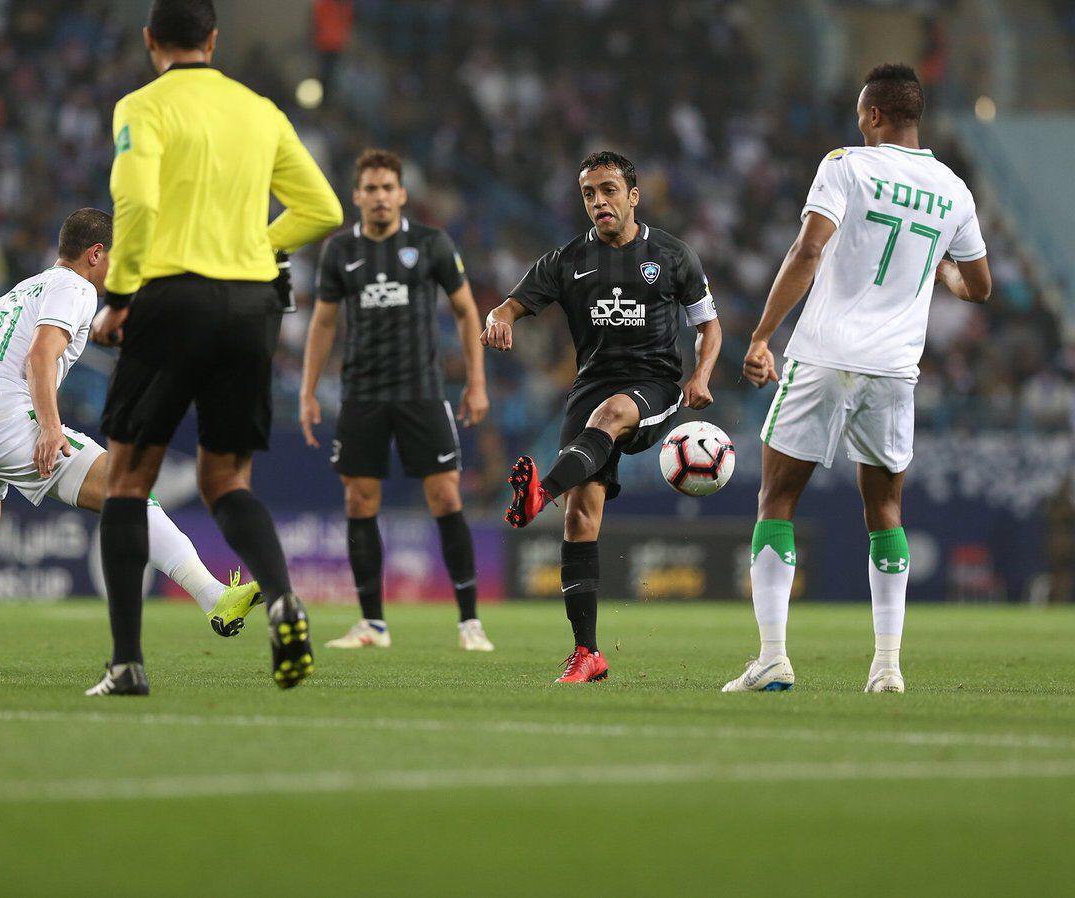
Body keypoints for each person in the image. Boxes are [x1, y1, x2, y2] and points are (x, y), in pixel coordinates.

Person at [87, 0, 343, 695]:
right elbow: (323, 208)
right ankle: (284, 598)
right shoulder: (260, 109)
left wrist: (118, 296)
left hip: (172, 297)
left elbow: (135, 204)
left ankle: (127, 663)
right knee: (226, 480)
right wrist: (256, 247)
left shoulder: (144, 105)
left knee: (128, 479)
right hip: (253, 305)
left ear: (150, 42)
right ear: (214, 39)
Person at [0, 209, 263, 680]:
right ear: (96, 253)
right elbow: (41, 354)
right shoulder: (76, 288)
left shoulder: (18, 293)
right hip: (10, 421)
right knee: (126, 488)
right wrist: (49, 427)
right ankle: (215, 598)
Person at [721, 64, 992, 694]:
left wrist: (762, 336)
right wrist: (936, 270)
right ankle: (888, 667)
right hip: (894, 369)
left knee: (777, 499)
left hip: (823, 356)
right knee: (886, 509)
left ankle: (772, 657)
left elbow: (809, 251)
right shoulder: (954, 190)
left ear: (872, 115)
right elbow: (976, 285)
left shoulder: (846, 165)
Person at [481, 150, 722, 683]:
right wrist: (499, 317)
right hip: (589, 389)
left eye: (609, 190)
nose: (599, 202)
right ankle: (587, 652)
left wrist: (700, 375)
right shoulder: (566, 261)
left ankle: (539, 492)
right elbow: (512, 304)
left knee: (613, 414)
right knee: (580, 518)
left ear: (633, 195)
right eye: (589, 194)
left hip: (654, 387)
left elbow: (709, 325)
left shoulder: (673, 255)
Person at [300, 149, 493, 652]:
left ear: (402, 194)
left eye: (389, 188)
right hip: (361, 393)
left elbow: (468, 312)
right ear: (357, 195)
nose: (381, 197)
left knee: (446, 497)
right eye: (372, 189)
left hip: (422, 392)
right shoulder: (340, 250)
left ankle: (470, 622)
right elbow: (323, 323)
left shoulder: (430, 243)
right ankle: (372, 625)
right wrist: (307, 390)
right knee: (359, 500)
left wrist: (476, 383)